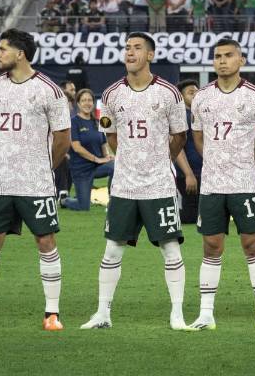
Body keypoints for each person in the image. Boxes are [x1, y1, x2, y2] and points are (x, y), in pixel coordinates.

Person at [0, 30, 71, 332]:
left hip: (37, 184)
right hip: (1, 182)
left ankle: (52, 313)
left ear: (20, 53)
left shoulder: (49, 90)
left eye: (3, 48)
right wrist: (8, 159)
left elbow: (63, 138)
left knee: (45, 241)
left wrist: (44, 167)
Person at [80, 32, 189, 331]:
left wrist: (160, 159)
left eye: (137, 48)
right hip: (125, 185)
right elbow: (111, 136)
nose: (130, 52)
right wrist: (129, 157)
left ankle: (177, 315)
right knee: (113, 248)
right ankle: (102, 313)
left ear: (150, 55)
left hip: (159, 185)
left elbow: (180, 135)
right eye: (127, 48)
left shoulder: (169, 93)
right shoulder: (111, 94)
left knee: (170, 248)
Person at [188, 38, 255, 331]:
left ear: (241, 60)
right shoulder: (202, 98)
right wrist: (215, 161)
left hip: (244, 185)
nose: (222, 61)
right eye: (217, 56)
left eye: (229, 56)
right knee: (211, 246)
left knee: (251, 245)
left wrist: (250, 164)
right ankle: (205, 314)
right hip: (212, 186)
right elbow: (198, 137)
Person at [63, 89, 114, 212]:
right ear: (78, 104)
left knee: (115, 166)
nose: (87, 103)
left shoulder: (97, 122)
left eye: (90, 100)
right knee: (83, 207)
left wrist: (108, 156)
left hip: (97, 167)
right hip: (81, 170)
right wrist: (98, 159)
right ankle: (65, 201)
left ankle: (113, 203)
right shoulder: (74, 122)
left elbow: (103, 143)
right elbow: (77, 147)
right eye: (84, 100)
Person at [174, 80, 202, 224]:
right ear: (180, 96)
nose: (195, 95)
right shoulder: (181, 117)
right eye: (191, 93)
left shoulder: (197, 114)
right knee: (192, 216)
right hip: (189, 174)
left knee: (205, 212)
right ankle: (159, 213)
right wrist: (188, 175)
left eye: (197, 92)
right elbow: (178, 149)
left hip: (203, 172)